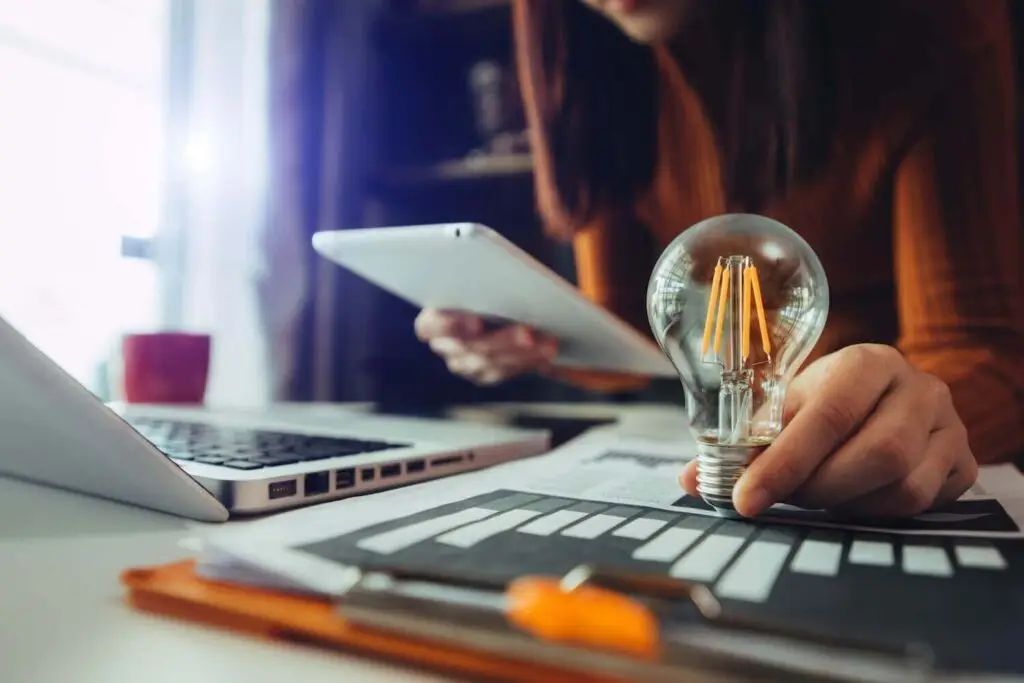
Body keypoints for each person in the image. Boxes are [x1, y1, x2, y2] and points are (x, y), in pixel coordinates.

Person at [414, 0, 1024, 518]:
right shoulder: (596, 59)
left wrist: (901, 419)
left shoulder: (927, 25)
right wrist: (525, 329)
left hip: (868, 445)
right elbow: (635, 322)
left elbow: (982, 349)